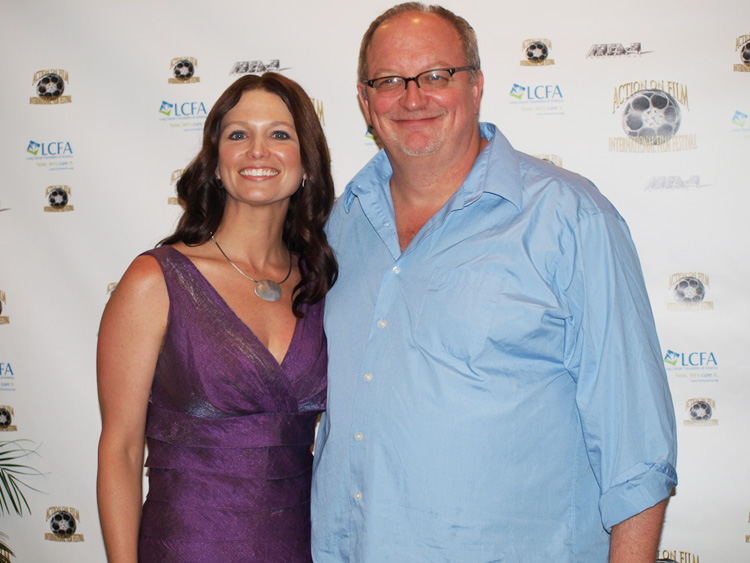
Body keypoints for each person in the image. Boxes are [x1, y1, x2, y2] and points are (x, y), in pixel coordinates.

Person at [311, 3, 677, 561]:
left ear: (476, 85)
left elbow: (638, 452)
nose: (413, 98)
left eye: (436, 75)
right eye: (389, 81)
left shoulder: (570, 219)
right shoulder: (341, 225)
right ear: (365, 101)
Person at [96, 73, 337, 562]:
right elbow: (121, 450)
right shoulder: (156, 280)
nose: (257, 150)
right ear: (217, 163)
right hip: (187, 547)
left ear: (306, 163)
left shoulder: (321, 285)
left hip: (296, 547)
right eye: (238, 134)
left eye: (279, 134)